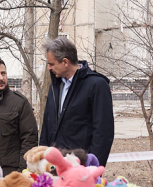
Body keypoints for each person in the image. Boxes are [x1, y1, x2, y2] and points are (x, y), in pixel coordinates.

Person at [39, 35, 114, 165]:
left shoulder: (97, 85)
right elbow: (47, 125)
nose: (49, 68)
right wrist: (42, 159)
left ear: (65, 62)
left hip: (81, 169)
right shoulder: (54, 86)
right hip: (54, 166)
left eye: (51, 64)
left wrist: (93, 168)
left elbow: (103, 133)